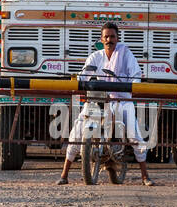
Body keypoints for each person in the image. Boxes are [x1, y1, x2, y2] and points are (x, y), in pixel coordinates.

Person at [57, 23, 155, 186]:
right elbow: (84, 74)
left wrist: (131, 85)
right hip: (97, 100)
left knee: (133, 134)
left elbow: (136, 75)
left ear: (117, 38)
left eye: (112, 36)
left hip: (122, 100)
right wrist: (79, 81)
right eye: (106, 37)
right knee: (77, 130)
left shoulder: (126, 54)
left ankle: (145, 176)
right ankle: (64, 174)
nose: (109, 39)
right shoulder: (95, 57)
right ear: (101, 39)